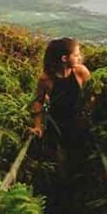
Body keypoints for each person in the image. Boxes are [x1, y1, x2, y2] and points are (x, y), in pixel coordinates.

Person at [29, 37, 92, 174]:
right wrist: (38, 125)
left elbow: (92, 95)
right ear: (64, 58)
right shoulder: (46, 79)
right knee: (59, 164)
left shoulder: (81, 72)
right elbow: (39, 101)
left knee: (78, 160)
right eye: (76, 55)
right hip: (56, 126)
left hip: (79, 124)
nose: (79, 57)